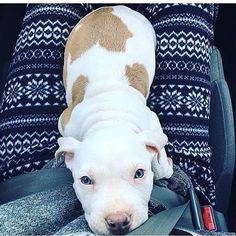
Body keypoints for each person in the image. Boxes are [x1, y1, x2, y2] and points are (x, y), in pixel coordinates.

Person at [0, 3, 218, 234]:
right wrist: (163, 168)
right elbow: (153, 128)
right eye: (138, 173)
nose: (117, 219)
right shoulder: (148, 133)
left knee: (51, 9)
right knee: (186, 8)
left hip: (28, 182)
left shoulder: (72, 135)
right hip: (175, 202)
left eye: (137, 174)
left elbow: (67, 122)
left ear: (68, 156)